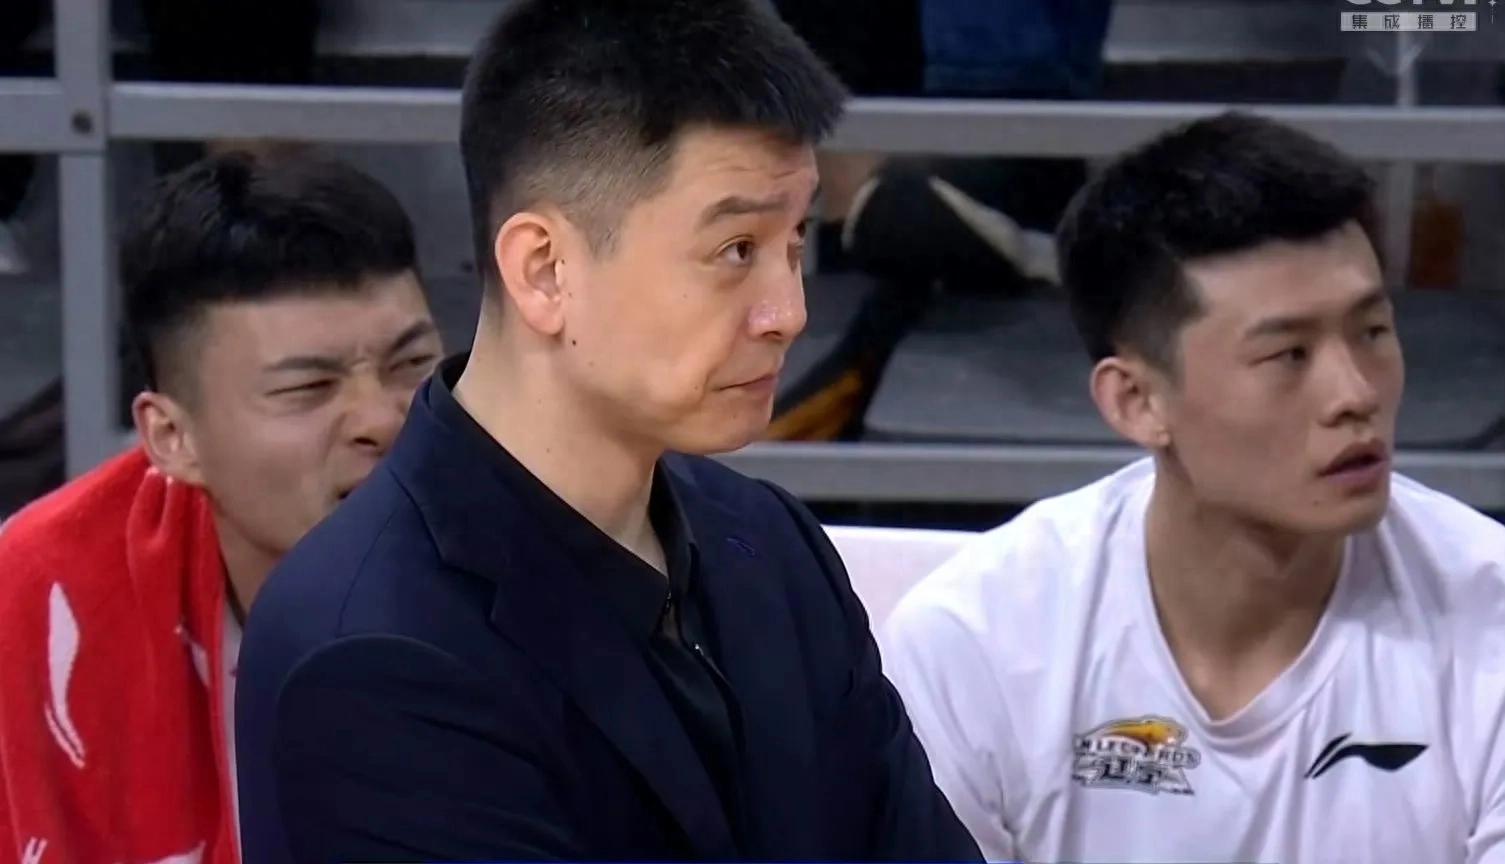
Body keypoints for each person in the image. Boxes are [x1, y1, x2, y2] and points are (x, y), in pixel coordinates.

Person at [234, 1, 981, 861]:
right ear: (544, 270)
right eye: (736, 249)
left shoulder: (772, 543)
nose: (788, 311)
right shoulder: (371, 651)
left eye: (796, 239)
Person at [882, 111, 1505, 863]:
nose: (1355, 393)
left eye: (1372, 332)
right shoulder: (977, 641)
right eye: (1288, 355)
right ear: (1136, 402)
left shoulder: (1488, 614)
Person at [0, 152, 441, 864]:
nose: (383, 420)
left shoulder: (558, 552)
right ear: (173, 439)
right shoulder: (42, 592)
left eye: (412, 366)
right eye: (308, 388)